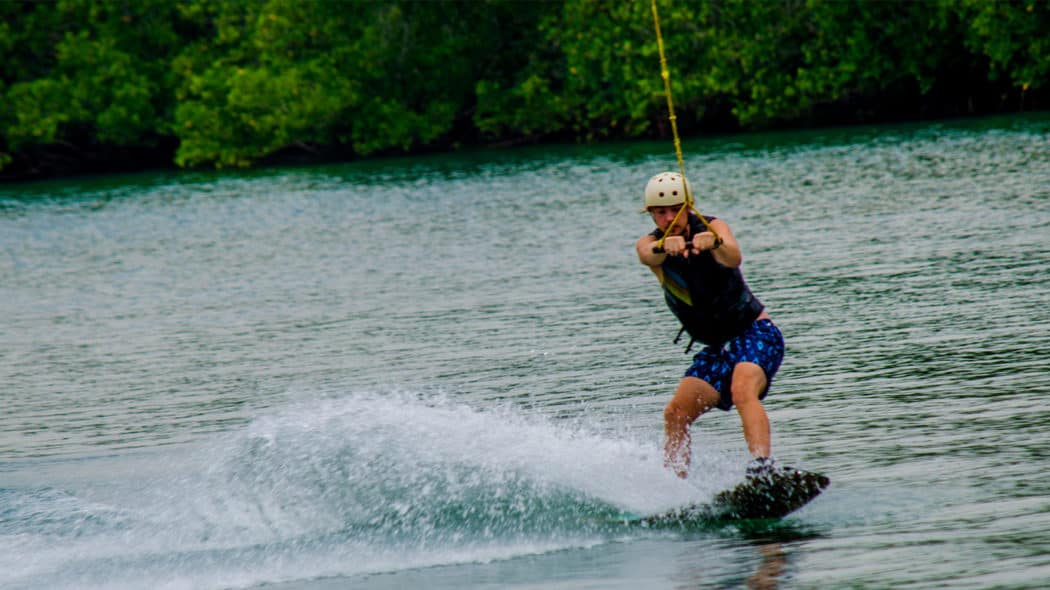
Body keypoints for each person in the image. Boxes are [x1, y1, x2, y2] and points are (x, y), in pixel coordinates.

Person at [635, 171, 785, 480]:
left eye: (675, 209)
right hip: (717, 351)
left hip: (755, 334)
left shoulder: (714, 227)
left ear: (688, 207)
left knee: (742, 389)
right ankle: (672, 488)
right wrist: (667, 247)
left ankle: (762, 469)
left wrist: (714, 241)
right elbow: (647, 255)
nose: (668, 217)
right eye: (660, 212)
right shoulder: (650, 244)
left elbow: (733, 256)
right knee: (676, 413)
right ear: (651, 214)